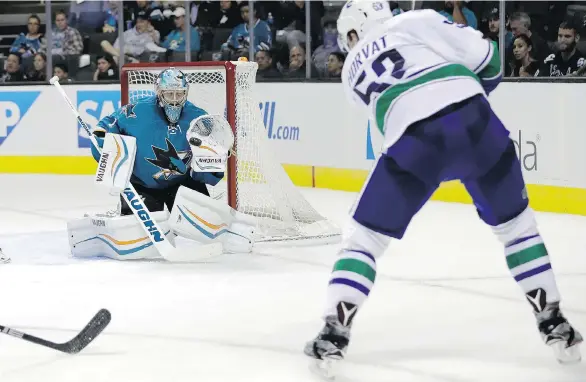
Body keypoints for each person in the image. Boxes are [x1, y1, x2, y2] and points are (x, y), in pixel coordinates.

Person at [304, 1, 582, 378]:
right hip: (475, 122)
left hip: (412, 143)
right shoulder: (413, 20)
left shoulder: (349, 73)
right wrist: (473, 93)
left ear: (353, 32)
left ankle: (333, 334)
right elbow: (489, 58)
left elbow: (386, 115)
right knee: (518, 229)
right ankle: (555, 323)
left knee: (363, 240)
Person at [67, 68, 255, 261]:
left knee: (205, 225)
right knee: (141, 237)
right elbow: (108, 123)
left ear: (186, 93)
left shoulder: (199, 119)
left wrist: (216, 157)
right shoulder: (136, 111)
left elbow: (208, 167)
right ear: (159, 92)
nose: (174, 99)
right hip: (143, 185)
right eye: (169, 94)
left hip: (181, 184)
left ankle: (227, 229)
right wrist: (100, 138)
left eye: (179, 94)